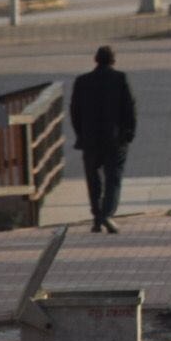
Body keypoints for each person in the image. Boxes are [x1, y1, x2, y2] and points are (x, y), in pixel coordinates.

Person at [69, 45, 137, 234]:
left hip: (90, 140)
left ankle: (97, 216)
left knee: (93, 179)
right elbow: (129, 108)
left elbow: (75, 111)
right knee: (113, 178)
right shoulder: (120, 79)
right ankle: (107, 214)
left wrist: (80, 134)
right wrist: (129, 132)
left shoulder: (82, 81)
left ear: (96, 60)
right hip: (115, 139)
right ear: (113, 61)